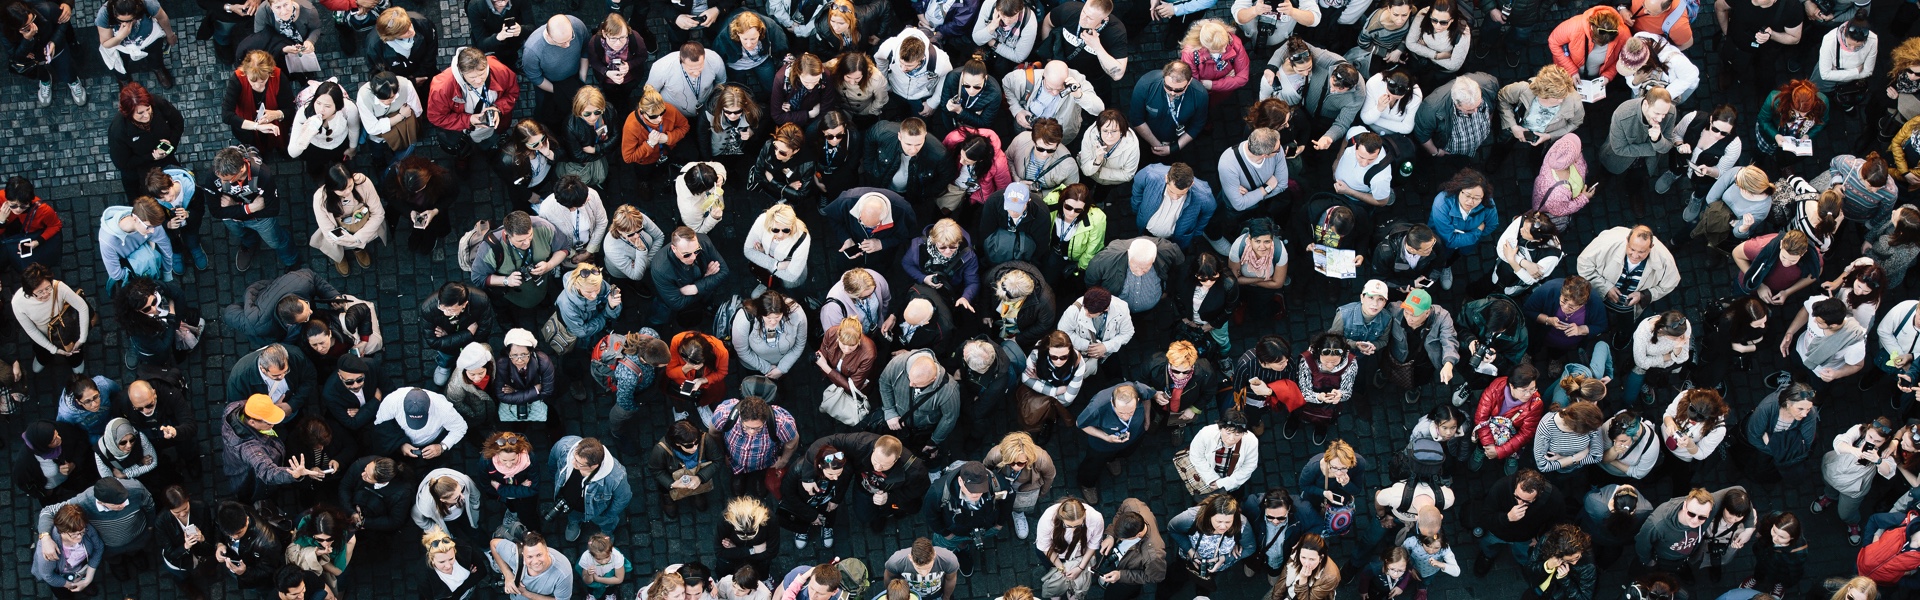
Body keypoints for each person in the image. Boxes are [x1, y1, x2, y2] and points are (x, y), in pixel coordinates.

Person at [426, 47, 520, 166]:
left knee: (489, 143)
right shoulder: (442, 88)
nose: (479, 80)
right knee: (463, 150)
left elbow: (512, 92)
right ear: (461, 72)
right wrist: (468, 120)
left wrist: (498, 108)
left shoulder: (500, 70)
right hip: (462, 131)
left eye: (482, 74)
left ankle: (488, 150)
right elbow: (436, 117)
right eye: (472, 78)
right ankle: (464, 156)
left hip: (491, 127)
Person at [1158, 493, 1251, 600]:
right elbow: (1172, 529)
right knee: (1176, 576)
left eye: (1228, 522)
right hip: (1186, 559)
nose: (1223, 526)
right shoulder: (1191, 518)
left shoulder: (1242, 524)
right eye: (1219, 521)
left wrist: (1225, 558)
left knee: (1204, 583)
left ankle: (1202, 591)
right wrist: (1190, 551)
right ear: (1209, 516)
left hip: (1214, 567)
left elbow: (1250, 547)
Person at [1473, 469, 1564, 575]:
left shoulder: (1553, 498)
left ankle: (1523, 563)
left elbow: (1557, 523)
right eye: (1517, 497)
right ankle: (1487, 556)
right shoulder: (1502, 487)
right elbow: (1485, 516)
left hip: (1525, 538)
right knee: (1488, 545)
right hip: (1497, 532)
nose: (1519, 503)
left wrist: (1540, 537)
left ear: (1539, 494)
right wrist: (1507, 518)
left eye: (1526, 501)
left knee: (1523, 553)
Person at [109, 85, 180, 203]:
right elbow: (123, 163)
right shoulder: (118, 131)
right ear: (129, 113)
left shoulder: (158, 103)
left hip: (166, 158)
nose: (147, 115)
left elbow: (178, 123)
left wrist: (170, 144)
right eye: (140, 113)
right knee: (141, 203)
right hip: (137, 170)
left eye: (148, 109)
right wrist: (151, 156)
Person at [644, 420, 725, 518]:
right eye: (689, 445)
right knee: (664, 488)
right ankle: (668, 498)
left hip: (697, 472)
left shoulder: (705, 438)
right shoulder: (661, 450)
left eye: (697, 442)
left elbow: (718, 460)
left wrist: (700, 477)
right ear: (677, 443)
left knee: (698, 490)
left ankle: (697, 492)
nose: (695, 448)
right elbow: (656, 470)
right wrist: (671, 484)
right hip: (672, 477)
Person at [1657, 389, 1729, 496]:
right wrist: (1670, 423)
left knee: (1680, 482)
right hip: (1664, 439)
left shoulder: (1718, 429)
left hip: (1683, 458)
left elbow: (1701, 454)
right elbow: (1668, 414)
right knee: (1663, 465)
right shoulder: (1686, 395)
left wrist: (1689, 444)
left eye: (1699, 419)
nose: (1692, 421)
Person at [94, 0, 176, 87]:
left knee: (156, 57)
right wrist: (120, 37)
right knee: (119, 64)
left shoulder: (148, 3)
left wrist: (170, 35)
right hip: (120, 47)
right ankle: (124, 79)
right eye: (120, 20)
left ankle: (157, 68)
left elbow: (162, 17)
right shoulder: (104, 14)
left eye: (131, 20)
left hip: (149, 39)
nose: (126, 24)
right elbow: (106, 43)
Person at [1635, 488, 1713, 575]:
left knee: (1681, 568)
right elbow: (1642, 543)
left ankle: (1682, 569)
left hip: (1686, 556)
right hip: (1664, 559)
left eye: (1702, 517)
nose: (1695, 520)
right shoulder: (1658, 523)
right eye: (1691, 514)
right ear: (1684, 506)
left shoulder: (1708, 510)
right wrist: (1648, 561)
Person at [33, 504, 101, 599]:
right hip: (60, 577)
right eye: (74, 534)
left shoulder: (85, 528)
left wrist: (87, 579)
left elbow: (99, 548)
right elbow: (48, 575)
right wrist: (69, 585)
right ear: (61, 531)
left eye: (82, 532)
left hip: (81, 570)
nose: (80, 537)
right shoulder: (48, 550)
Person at [1185, 410, 1260, 495]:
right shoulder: (1205, 434)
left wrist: (1224, 483)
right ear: (1220, 428)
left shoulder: (1251, 441)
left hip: (1233, 483)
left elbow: (1249, 466)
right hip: (1205, 479)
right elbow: (1196, 456)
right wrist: (1212, 479)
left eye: (1237, 434)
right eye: (1228, 433)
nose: (1231, 439)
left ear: (1243, 433)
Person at [489, 531, 573, 600]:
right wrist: (508, 575)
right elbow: (494, 544)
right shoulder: (515, 556)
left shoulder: (563, 573)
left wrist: (526, 594)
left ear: (547, 551)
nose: (535, 561)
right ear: (523, 554)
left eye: (539, 555)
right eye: (529, 557)